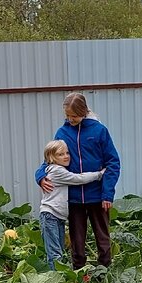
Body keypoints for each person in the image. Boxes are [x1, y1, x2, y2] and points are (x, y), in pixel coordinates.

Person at [34, 92, 120, 270]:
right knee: (77, 241)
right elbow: (49, 159)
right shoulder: (62, 132)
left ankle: (105, 271)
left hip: (97, 195)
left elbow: (113, 163)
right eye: (67, 116)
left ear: (83, 111)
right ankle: (79, 273)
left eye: (73, 116)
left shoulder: (99, 131)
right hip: (73, 198)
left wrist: (107, 193)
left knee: (102, 238)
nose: (70, 119)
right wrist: (40, 176)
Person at [39, 139, 105, 268]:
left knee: (59, 250)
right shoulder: (57, 171)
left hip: (57, 216)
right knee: (55, 252)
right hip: (50, 216)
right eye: (60, 154)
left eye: (67, 153)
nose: (66, 156)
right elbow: (78, 178)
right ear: (51, 157)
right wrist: (99, 174)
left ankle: (59, 278)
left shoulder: (53, 169)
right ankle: (55, 282)